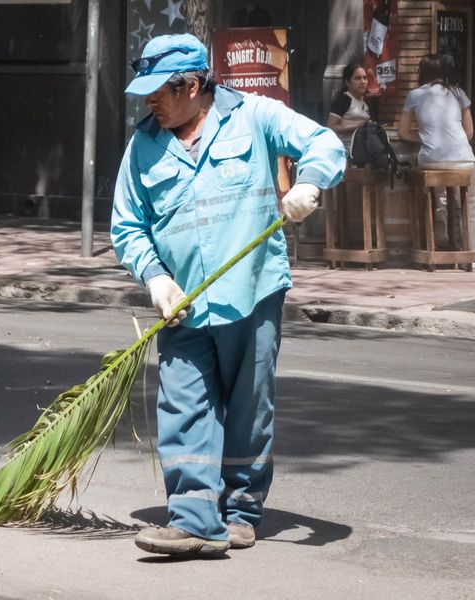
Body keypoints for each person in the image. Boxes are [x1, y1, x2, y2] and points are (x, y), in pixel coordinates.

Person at [111, 34, 345, 556]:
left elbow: (324, 143)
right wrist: (155, 278)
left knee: (248, 408)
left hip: (252, 294)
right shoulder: (143, 146)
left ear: (193, 86)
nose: (149, 102)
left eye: (159, 92)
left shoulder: (255, 117)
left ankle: (240, 511)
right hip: (183, 304)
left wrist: (309, 183)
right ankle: (194, 519)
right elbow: (127, 225)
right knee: (183, 405)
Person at [397, 54, 475, 269]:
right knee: (469, 205)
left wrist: (425, 137)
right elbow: (469, 133)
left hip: (431, 161)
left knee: (441, 200)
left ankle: (441, 241)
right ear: (444, 72)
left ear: (422, 72)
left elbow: (403, 132)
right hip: (462, 160)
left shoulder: (414, 95)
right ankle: (473, 254)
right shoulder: (458, 93)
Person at [326, 63, 371, 138]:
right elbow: (331, 127)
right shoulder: (343, 100)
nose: (363, 81)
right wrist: (357, 126)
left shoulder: (366, 102)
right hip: (345, 144)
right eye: (357, 78)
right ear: (347, 82)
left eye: (365, 78)